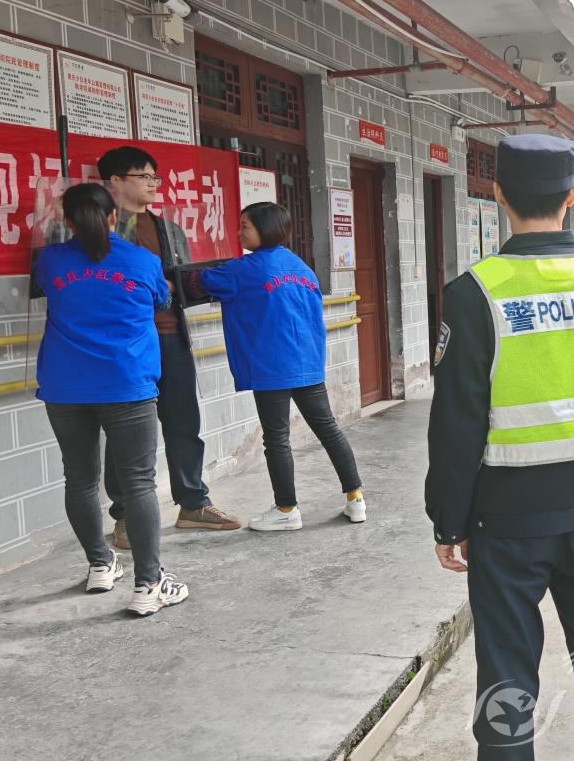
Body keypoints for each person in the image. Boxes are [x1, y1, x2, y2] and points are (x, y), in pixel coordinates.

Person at [426, 134, 574, 760]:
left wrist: (449, 519)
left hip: (507, 520)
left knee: (506, 668)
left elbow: (455, 424)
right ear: (573, 194)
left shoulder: (475, 291)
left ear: (498, 194)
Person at [35, 183, 189, 616]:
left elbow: (50, 287)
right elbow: (162, 299)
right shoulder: (143, 261)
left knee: (79, 479)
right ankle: (148, 585)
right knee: (139, 482)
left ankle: (100, 565)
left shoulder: (50, 260)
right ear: (111, 217)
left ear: (68, 221)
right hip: (126, 383)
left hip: (65, 386)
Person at [97, 147, 241, 545]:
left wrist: (201, 282)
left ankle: (193, 503)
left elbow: (182, 282)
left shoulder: (170, 229)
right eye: (143, 176)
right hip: (126, 343)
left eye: (154, 177)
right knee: (125, 431)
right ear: (115, 181)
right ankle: (126, 515)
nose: (152, 184)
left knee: (184, 423)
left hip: (171, 335)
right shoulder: (102, 230)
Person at [194, 203, 365, 531]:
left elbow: (201, 281)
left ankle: (287, 510)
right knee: (329, 430)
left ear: (266, 228)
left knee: (276, 439)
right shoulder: (301, 267)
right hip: (307, 362)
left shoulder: (243, 269)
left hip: (271, 366)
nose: (239, 232)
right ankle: (356, 498)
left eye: (245, 225)